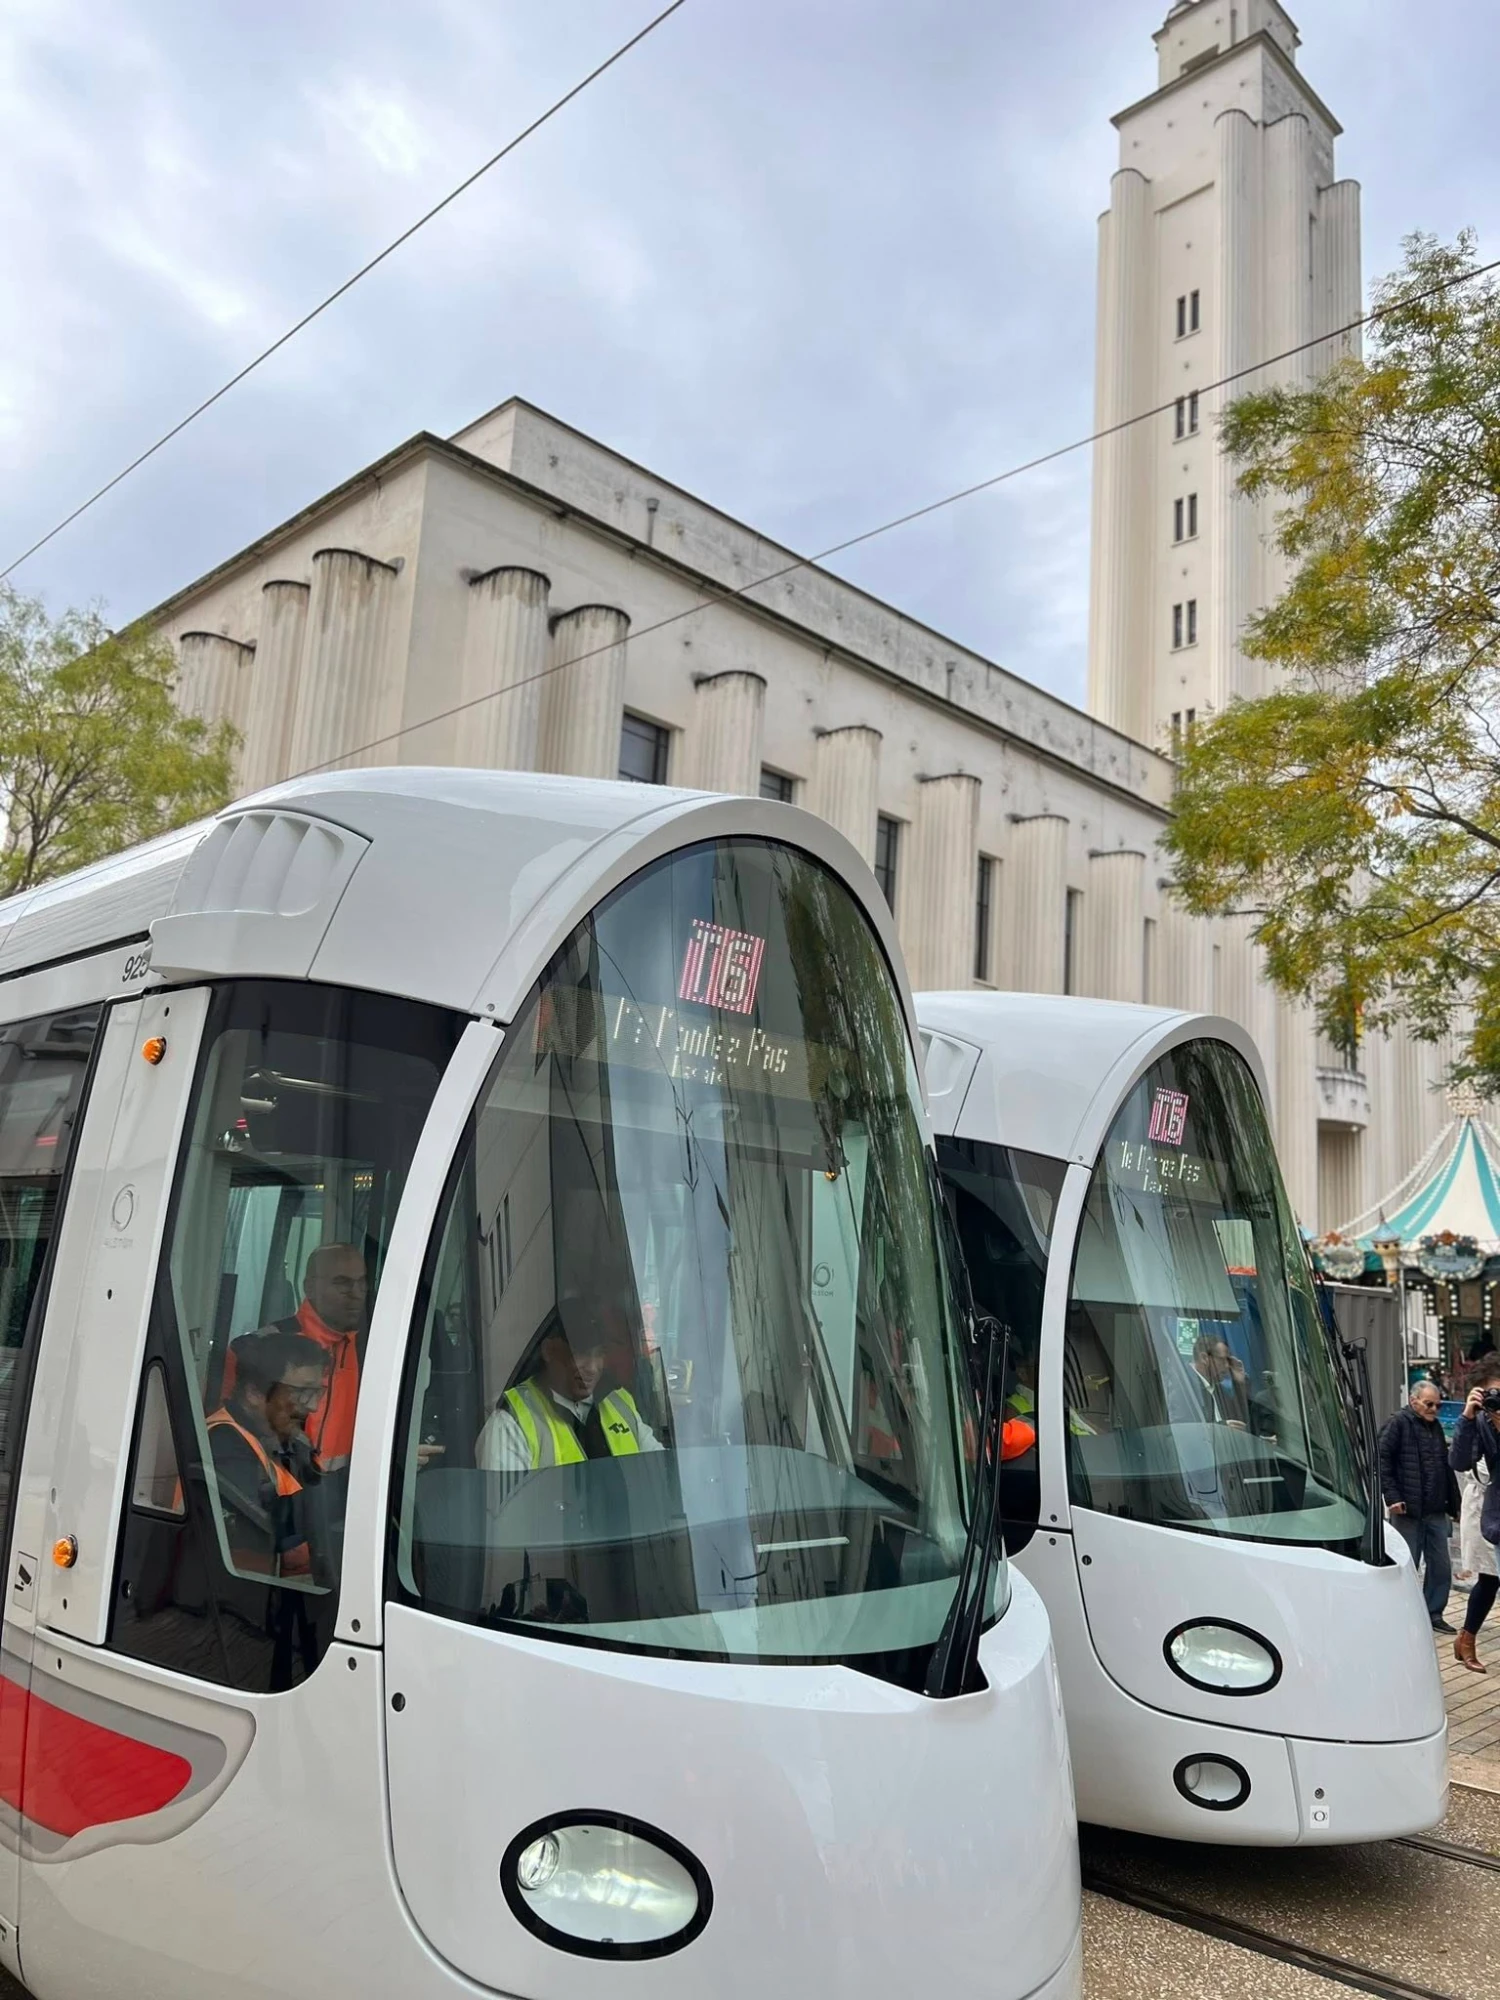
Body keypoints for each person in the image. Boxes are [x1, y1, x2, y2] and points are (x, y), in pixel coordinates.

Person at [475, 1300, 662, 1473]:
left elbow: (660, 1469)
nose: (591, 1367)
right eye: (579, 1353)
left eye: (599, 1354)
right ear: (549, 1351)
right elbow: (506, 1505)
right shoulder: (509, 1424)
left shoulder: (620, 1404)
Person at [207, 1330, 327, 1579]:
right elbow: (275, 1526)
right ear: (254, 1393)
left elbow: (321, 1491)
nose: (313, 1406)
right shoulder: (221, 1442)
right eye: (301, 1392)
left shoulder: (289, 1441)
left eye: (317, 1392)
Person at [1378, 1381, 1462, 1632]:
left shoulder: (1435, 1427)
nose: (1434, 1409)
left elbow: (1445, 1468)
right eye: (1429, 1404)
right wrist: (1392, 1496)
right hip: (1407, 1511)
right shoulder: (1398, 1424)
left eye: (1437, 1404)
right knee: (1406, 1566)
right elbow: (1381, 1460)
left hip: (1435, 1510)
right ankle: (1401, 1616)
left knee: (1441, 1566)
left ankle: (1433, 1614)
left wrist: (1454, 1504)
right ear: (1414, 1401)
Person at [1450, 1364, 1500, 1672]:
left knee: (1491, 1579)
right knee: (1488, 1577)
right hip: (1486, 1511)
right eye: (1493, 1393)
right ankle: (1466, 1639)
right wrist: (1468, 1416)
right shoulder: (1479, 1422)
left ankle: (1465, 1639)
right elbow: (1458, 1460)